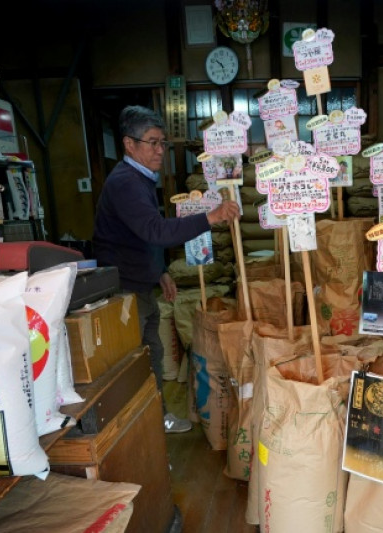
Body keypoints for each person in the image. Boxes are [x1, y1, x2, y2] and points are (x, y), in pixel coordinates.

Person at [93, 105, 240, 434]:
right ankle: (136, 429)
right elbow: (155, 231)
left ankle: (153, 420)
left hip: (139, 283)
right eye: (152, 142)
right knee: (135, 363)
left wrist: (159, 271)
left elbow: (139, 236)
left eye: (163, 143)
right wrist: (210, 218)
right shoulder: (126, 183)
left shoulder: (140, 179)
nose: (160, 150)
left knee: (151, 355)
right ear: (129, 144)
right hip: (124, 290)